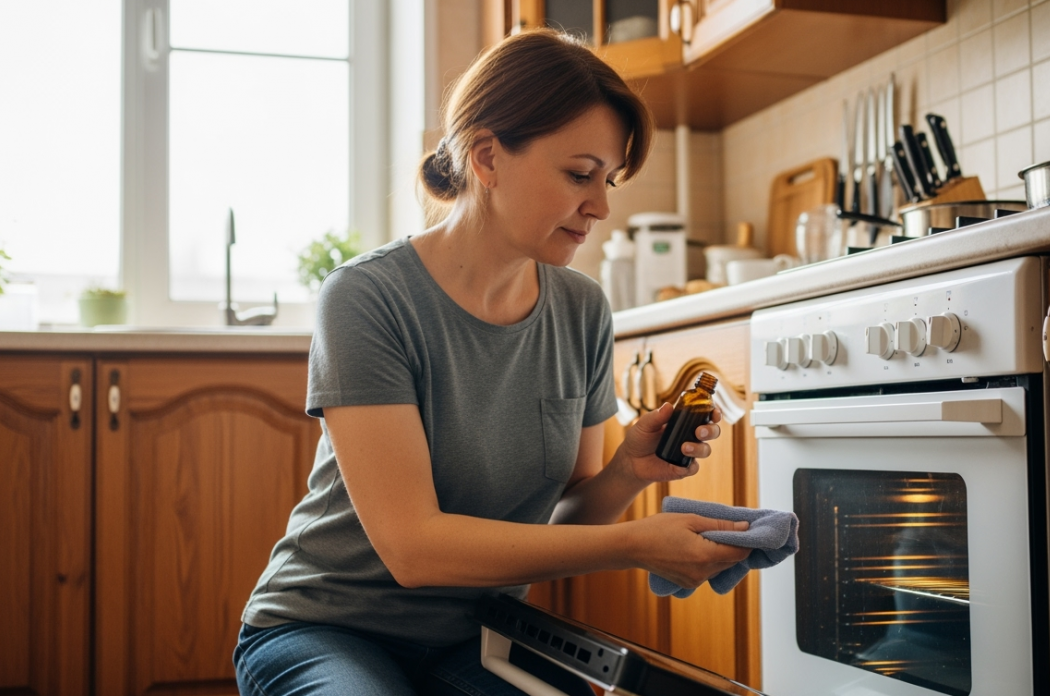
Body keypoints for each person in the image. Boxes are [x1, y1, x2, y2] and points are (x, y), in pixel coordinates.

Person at [235, 29, 752, 696]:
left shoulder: (582, 309)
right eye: (579, 174)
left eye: (608, 179)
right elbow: (413, 550)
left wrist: (628, 470)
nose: (600, 206)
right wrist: (635, 543)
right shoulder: (367, 297)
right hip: (327, 629)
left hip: (479, 633)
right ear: (487, 156)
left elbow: (565, 520)